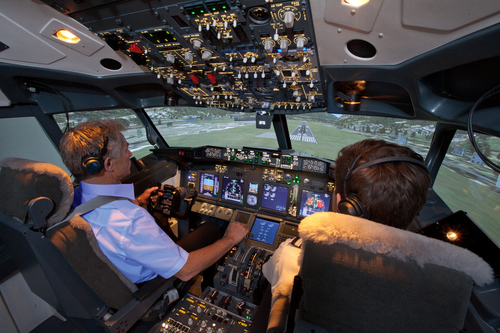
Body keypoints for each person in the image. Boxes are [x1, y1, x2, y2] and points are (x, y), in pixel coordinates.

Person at [261, 139, 431, 332]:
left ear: (346, 207)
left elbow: (267, 271)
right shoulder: (434, 284)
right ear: (414, 213)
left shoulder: (293, 256)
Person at [59, 119, 249, 286]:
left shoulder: (71, 200)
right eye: (126, 149)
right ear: (107, 164)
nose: (130, 153)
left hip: (116, 274)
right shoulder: (129, 221)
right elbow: (186, 271)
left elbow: (105, 213)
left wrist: (139, 201)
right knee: (211, 229)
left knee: (159, 214)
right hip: (154, 285)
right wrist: (230, 238)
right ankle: (208, 286)